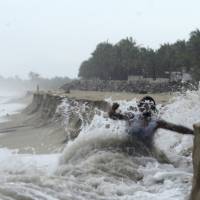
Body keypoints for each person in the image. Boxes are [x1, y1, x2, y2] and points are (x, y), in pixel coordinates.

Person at [108, 96, 193, 147]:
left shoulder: (155, 122)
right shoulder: (131, 116)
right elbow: (112, 116)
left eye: (148, 106)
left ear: (152, 109)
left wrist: (194, 132)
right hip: (128, 150)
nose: (146, 108)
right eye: (144, 106)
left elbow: (177, 128)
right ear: (140, 107)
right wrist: (113, 109)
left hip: (146, 157)